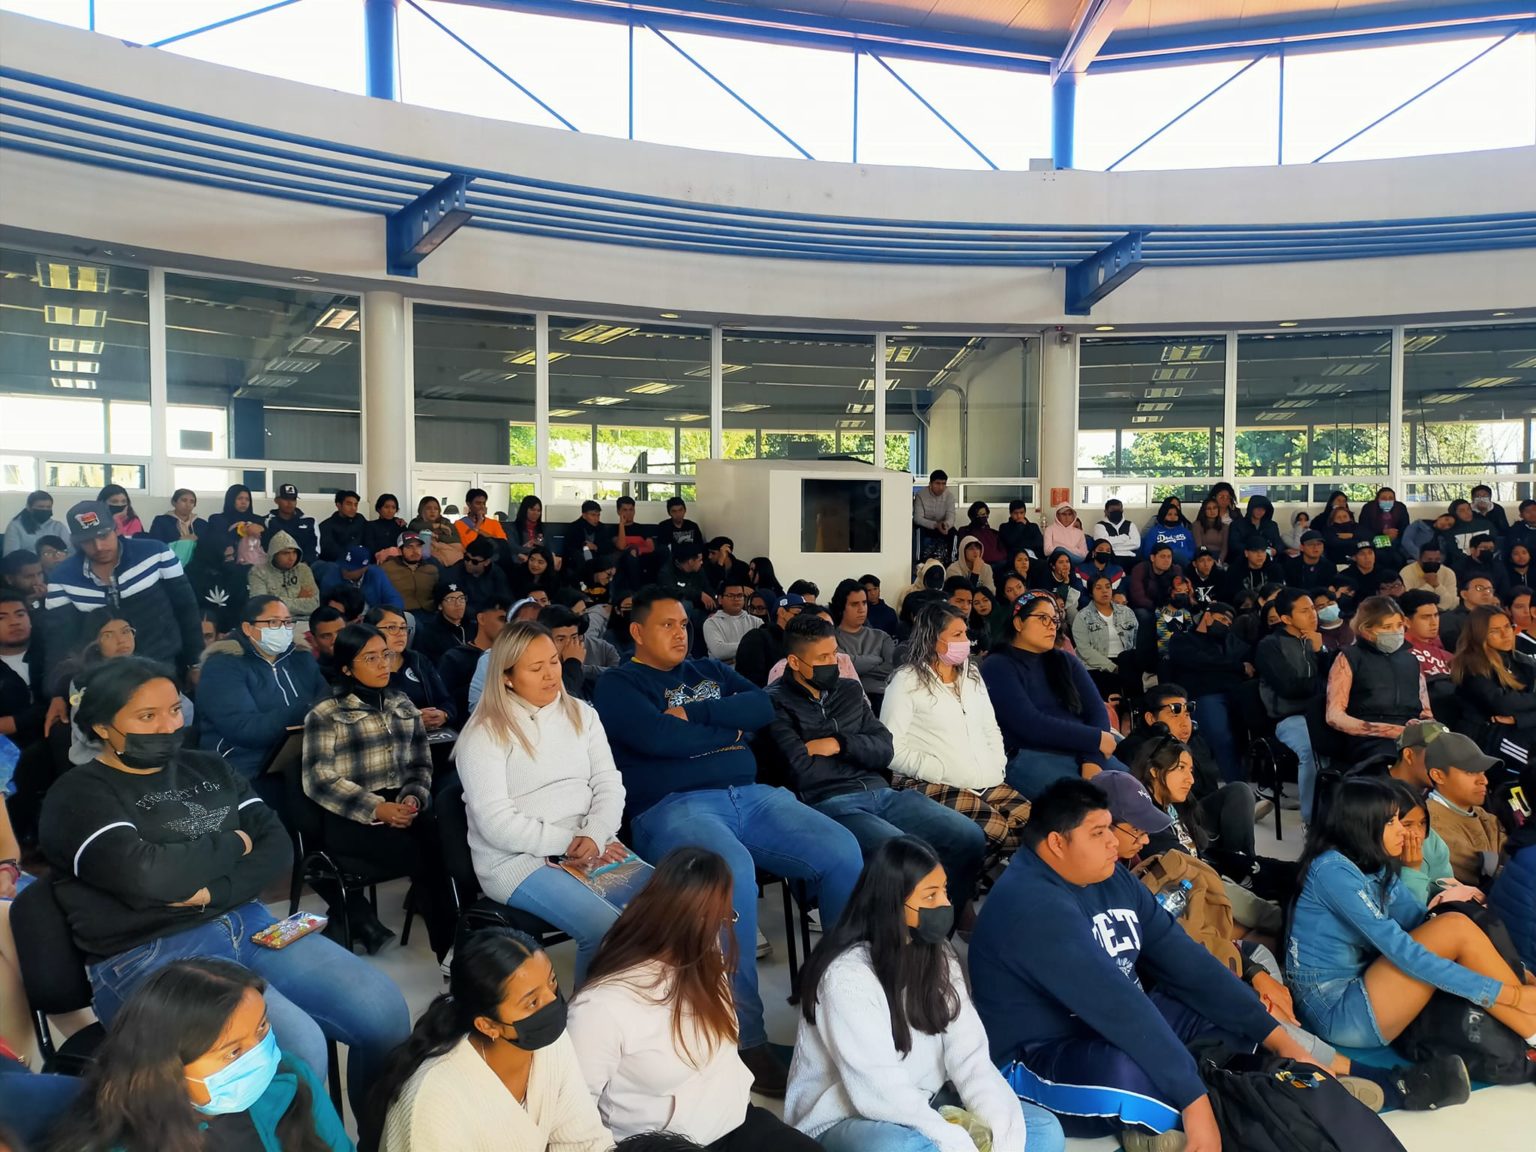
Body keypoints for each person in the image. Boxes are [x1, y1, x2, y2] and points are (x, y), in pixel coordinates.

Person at [39, 656, 408, 1111]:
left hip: (247, 922)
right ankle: (304, 1139)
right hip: (150, 953)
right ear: (101, 726)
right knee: (294, 1049)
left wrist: (213, 891)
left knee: (383, 1010)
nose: (168, 726)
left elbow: (277, 848)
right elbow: (150, 876)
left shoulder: (209, 767)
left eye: (174, 710)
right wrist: (236, 841)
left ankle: (377, 1135)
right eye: (146, 716)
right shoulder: (78, 794)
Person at [593, 586, 864, 1095]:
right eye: (667, 625)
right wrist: (730, 733)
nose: (680, 633)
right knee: (730, 873)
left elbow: (761, 706)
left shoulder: (708, 671)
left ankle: (846, 1007)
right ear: (636, 632)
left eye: (683, 624)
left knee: (842, 850)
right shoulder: (619, 683)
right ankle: (744, 1038)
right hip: (673, 806)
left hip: (754, 796)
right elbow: (656, 739)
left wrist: (697, 717)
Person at [970, 778, 1320, 1148]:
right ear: (1057, 843)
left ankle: (1265, 1097)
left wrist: (1278, 1039)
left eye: (1110, 828)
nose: (1112, 842)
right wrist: (1194, 1100)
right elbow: (1117, 1005)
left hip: (1112, 1027)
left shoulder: (1111, 877)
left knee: (1232, 1022)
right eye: (1098, 833)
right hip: (1041, 1055)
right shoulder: (1030, 904)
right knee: (1129, 1075)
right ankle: (1224, 1118)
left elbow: (1184, 959)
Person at [788, 838, 1065, 1152]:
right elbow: (878, 1087)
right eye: (930, 895)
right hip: (851, 1116)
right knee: (902, 1147)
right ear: (893, 904)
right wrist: (954, 1140)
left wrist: (1001, 1132)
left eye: (944, 891)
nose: (944, 904)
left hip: (926, 1100)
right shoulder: (845, 977)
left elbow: (970, 1055)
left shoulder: (939, 954)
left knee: (1043, 1130)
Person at [567, 847, 817, 1151]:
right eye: (720, 918)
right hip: (664, 1145)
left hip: (734, 1121)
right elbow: (573, 1111)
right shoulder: (600, 1007)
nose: (723, 928)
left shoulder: (706, 955)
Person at [1287, 778, 1535, 1065]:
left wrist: (1513, 969)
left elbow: (1420, 921)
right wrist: (1508, 995)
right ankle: (1531, 1025)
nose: (1404, 832)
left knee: (1455, 923)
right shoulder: (1333, 871)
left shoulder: (1374, 865)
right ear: (1363, 824)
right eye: (1392, 822)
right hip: (1338, 1010)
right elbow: (1405, 950)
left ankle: (1531, 1026)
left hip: (1366, 985)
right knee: (1453, 928)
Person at [455, 621, 632, 987]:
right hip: (518, 860)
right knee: (606, 928)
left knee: (667, 913)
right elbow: (496, 822)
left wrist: (596, 834)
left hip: (590, 842)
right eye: (536, 668)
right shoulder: (485, 732)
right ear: (506, 677)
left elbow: (608, 782)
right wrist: (569, 843)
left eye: (554, 661)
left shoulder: (582, 713)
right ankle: (590, 1019)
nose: (551, 674)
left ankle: (639, 1013)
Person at [767, 613, 985, 906]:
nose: (833, 663)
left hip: (881, 792)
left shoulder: (848, 690)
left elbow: (885, 748)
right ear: (794, 662)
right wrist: (861, 751)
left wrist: (839, 744)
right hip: (828, 802)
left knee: (968, 836)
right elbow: (800, 769)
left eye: (834, 653)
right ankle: (897, 928)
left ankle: (940, 922)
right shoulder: (774, 701)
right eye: (822, 658)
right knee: (904, 853)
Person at [48, 957, 350, 1152]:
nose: (261, 1056)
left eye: (261, 1027)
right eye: (233, 1052)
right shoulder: (122, 1142)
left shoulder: (290, 1078)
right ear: (166, 1067)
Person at [364, 927, 611, 1152]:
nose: (552, 1001)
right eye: (532, 1002)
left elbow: (584, 1141)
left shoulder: (549, 1043)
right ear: (488, 1025)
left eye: (552, 981)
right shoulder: (434, 1106)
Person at [302, 623, 452, 957]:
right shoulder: (326, 713)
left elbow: (420, 764)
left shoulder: (402, 703)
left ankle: (459, 943)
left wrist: (413, 797)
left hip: (401, 805)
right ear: (346, 668)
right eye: (370, 658)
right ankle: (450, 951)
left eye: (385, 655)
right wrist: (376, 808)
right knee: (429, 858)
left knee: (448, 844)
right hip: (351, 817)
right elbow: (319, 779)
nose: (383, 664)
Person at [881, 604, 1029, 858]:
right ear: (932, 639)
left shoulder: (971, 674)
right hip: (931, 781)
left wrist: (997, 764)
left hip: (984, 778)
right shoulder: (906, 680)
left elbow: (989, 726)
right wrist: (935, 770)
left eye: (966, 633)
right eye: (957, 635)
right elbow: (889, 746)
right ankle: (968, 874)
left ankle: (993, 871)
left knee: (1033, 824)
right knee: (995, 830)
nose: (966, 641)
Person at [40, 500, 203, 683]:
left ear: (116, 528)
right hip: (103, 677)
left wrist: (195, 663)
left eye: (103, 535)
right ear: (76, 542)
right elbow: (59, 638)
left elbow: (186, 609)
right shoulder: (62, 577)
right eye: (87, 541)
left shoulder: (157, 553)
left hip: (161, 665)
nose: (98, 546)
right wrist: (58, 690)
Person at [983, 592, 1126, 798]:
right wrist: (1095, 739)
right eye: (1043, 618)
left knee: (1136, 797)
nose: (1052, 626)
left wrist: (1092, 760)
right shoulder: (997, 665)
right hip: (1030, 755)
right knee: (1088, 805)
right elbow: (1029, 724)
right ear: (1018, 623)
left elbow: (1097, 712)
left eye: (1055, 619)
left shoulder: (1064, 661)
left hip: (1083, 750)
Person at [198, 595, 327, 782]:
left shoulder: (300, 656)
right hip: (243, 767)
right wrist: (304, 711)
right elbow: (245, 729)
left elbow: (325, 700)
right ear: (248, 628)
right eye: (273, 622)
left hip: (303, 757)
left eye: (287, 622)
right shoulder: (223, 665)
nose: (282, 628)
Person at [1327, 594, 1432, 764]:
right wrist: (1392, 731)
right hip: (1369, 740)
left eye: (1399, 625)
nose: (1396, 631)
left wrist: (1430, 728)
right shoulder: (1349, 657)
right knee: (1407, 761)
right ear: (1367, 630)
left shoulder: (1411, 660)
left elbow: (1426, 714)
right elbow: (1335, 716)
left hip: (1411, 735)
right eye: (1387, 627)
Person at [1256, 587, 1329, 821]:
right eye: (1304, 611)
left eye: (1313, 609)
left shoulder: (1316, 641)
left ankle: (1337, 815)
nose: (1313, 615)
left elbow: (1336, 680)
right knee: (1311, 750)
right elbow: (1289, 687)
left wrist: (1321, 652)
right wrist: (1321, 681)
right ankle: (1311, 820)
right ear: (1287, 618)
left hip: (1325, 713)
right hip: (1290, 717)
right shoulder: (1270, 645)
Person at [1163, 602, 1246, 777]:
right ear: (1207, 616)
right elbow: (1198, 660)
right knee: (1222, 737)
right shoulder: (1183, 639)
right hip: (1204, 695)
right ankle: (1236, 783)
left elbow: (1243, 660)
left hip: (1234, 695)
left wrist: (1227, 666)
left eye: (1229, 623)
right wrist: (1235, 666)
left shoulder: (1228, 642)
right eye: (1222, 619)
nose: (1225, 625)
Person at [1452, 604, 1536, 767]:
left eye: (1507, 627)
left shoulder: (1523, 661)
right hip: (1486, 738)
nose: (1506, 634)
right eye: (1495, 631)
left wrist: (1518, 719)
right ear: (1479, 635)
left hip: (1520, 729)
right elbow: (1503, 704)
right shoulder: (1472, 666)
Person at [1421, 731, 1508, 887]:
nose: (1484, 780)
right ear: (1438, 776)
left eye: (1483, 772)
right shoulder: (1428, 824)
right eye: (1471, 772)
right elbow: (1480, 874)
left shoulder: (1482, 814)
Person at [370, 606, 455, 731]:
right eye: (392, 627)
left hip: (432, 735)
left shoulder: (418, 660)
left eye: (403, 627)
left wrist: (443, 714)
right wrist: (412, 721)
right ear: (371, 631)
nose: (401, 633)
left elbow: (446, 701)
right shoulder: (365, 668)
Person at [1071, 573, 1140, 705]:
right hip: (1097, 664)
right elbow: (1084, 650)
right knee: (1110, 690)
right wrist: (1112, 667)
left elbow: (1137, 640)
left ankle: (1132, 711)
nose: (1104, 591)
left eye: (1108, 587)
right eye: (1098, 588)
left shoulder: (1126, 612)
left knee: (1133, 688)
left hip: (1125, 661)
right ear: (1091, 592)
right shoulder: (1082, 617)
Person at [440, 596, 509, 721]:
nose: (508, 625)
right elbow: (444, 703)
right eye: (502, 619)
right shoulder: (454, 659)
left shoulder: (513, 658)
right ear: (481, 619)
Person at [828, 578, 897, 700]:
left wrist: (858, 672)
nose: (861, 609)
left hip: (885, 696)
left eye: (864, 603)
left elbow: (892, 668)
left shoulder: (882, 636)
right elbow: (845, 668)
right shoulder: (831, 639)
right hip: (850, 698)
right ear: (841, 607)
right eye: (854, 604)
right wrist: (878, 659)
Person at [247, 530, 323, 622]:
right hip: (273, 623)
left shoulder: (303, 570)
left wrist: (274, 599)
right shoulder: (258, 572)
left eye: (294, 552)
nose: (291, 558)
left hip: (305, 621)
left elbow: (314, 605)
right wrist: (298, 599)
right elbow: (261, 606)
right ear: (274, 554)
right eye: (286, 553)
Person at [734, 592, 803, 687]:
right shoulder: (757, 637)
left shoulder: (802, 643)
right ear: (782, 612)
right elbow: (750, 680)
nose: (804, 619)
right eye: (798, 614)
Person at [702, 580, 761, 664]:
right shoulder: (711, 623)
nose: (736, 599)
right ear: (720, 599)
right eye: (731, 595)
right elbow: (718, 651)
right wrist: (751, 646)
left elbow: (763, 647)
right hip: (723, 671)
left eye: (739, 595)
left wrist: (733, 657)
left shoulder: (756, 621)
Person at [1439, 571, 1498, 654]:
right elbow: (1454, 649)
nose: (1486, 593)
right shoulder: (1449, 619)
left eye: (1490, 590)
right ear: (1464, 594)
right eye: (1479, 588)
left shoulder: (1496, 618)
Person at [384, 531, 441, 614]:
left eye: (418, 546)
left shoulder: (431, 567)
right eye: (409, 547)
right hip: (401, 613)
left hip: (430, 612)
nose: (415, 551)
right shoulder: (387, 568)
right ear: (400, 551)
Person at [263, 482, 321, 564]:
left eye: (293, 499)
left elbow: (315, 549)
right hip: (276, 565)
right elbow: (266, 548)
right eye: (285, 499)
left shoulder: (310, 521)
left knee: (328, 567)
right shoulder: (266, 521)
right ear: (276, 501)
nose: (290, 503)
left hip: (306, 565)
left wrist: (305, 564)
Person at [4, 489, 66, 555]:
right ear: (29, 507)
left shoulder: (58, 526)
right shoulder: (16, 526)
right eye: (40, 507)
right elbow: (11, 555)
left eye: (48, 507)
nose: (45, 509)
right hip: (27, 561)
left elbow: (69, 551)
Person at [1220, 537, 1282, 603]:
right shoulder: (1235, 571)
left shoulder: (1274, 569)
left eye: (1263, 551)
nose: (1260, 555)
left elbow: (1279, 594)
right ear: (1246, 553)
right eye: (1255, 551)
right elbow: (1230, 596)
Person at [912, 470, 957, 561]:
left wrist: (946, 525)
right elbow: (917, 518)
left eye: (943, 484)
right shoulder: (921, 495)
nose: (941, 487)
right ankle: (918, 561)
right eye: (937, 483)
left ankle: (952, 561)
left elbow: (951, 516)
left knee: (954, 533)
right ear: (930, 484)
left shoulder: (949, 496)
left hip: (943, 526)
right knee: (918, 530)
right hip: (926, 526)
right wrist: (935, 525)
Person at [1401, 540, 1458, 609]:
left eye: (1437, 560)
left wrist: (1437, 585)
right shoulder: (1406, 572)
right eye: (1429, 560)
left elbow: (1452, 604)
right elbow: (1408, 602)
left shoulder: (1448, 573)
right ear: (1419, 559)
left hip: (1444, 612)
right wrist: (1430, 585)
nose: (1433, 562)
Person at [1141, 497, 1194, 566]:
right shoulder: (1154, 531)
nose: (1173, 517)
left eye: (1176, 515)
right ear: (1163, 515)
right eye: (1169, 514)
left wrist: (1181, 554)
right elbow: (1147, 552)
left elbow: (1193, 551)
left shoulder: (1185, 532)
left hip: (1183, 563)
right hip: (1161, 563)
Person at [455, 487, 510, 552]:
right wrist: (478, 523)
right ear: (469, 504)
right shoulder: (459, 524)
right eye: (478, 503)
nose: (482, 507)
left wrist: (480, 532)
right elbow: (469, 545)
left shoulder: (494, 523)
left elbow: (503, 544)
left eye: (484, 503)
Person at [319, 490, 367, 563]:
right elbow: (329, 551)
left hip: (362, 561)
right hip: (338, 562)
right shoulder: (326, 526)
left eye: (356, 505)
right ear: (338, 505)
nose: (353, 508)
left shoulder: (360, 519)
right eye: (349, 504)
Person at [1092, 497, 1141, 561]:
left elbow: (1136, 544)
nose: (1116, 512)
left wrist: (1112, 546)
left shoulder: (1130, 525)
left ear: (1122, 511)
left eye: (1118, 510)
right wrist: (1124, 538)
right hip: (1110, 558)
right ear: (1106, 512)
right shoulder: (1099, 526)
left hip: (1130, 557)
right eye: (1113, 509)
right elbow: (1102, 544)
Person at [364, 493, 408, 560]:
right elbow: (370, 549)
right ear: (379, 509)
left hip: (400, 561)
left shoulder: (400, 525)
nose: (390, 511)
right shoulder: (370, 526)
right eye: (386, 507)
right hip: (379, 561)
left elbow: (407, 546)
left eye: (393, 508)